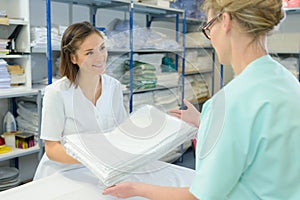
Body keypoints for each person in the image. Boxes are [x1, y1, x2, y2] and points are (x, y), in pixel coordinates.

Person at [103, 0, 300, 199]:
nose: (210, 36)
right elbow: (263, 142)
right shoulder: (287, 82)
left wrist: (136, 189)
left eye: (208, 27)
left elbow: (200, 197)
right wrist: (204, 122)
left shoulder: (230, 103)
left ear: (225, 21)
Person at [34, 21, 128, 180]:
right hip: (63, 172)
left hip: (104, 171)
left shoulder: (114, 87)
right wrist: (92, 160)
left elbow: (120, 131)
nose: (100, 57)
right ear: (73, 58)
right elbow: (52, 148)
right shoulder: (57, 92)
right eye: (89, 52)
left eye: (102, 48)